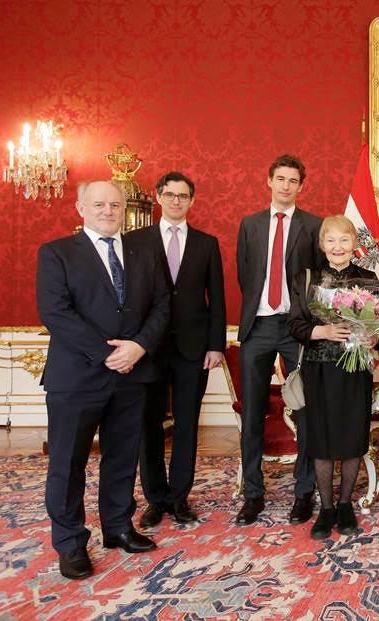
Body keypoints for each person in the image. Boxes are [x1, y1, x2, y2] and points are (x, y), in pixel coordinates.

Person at [36, 180, 170, 579]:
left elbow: (163, 304)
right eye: (99, 204)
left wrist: (139, 347)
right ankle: (71, 542)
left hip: (132, 374)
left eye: (115, 205)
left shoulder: (144, 252)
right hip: (77, 377)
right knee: (67, 462)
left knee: (123, 455)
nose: (108, 211)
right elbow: (55, 313)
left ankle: (117, 526)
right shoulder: (57, 253)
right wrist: (110, 354)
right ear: (80, 207)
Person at [126, 172, 226, 528]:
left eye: (183, 196)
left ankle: (179, 497)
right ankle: (155, 498)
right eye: (169, 195)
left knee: (187, 425)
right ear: (158, 197)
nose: (176, 201)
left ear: (192, 201)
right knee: (148, 424)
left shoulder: (206, 243)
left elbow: (217, 299)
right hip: (147, 349)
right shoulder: (134, 241)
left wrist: (216, 345)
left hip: (192, 349)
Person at [235, 155, 323, 526]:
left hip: (295, 328)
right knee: (253, 413)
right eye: (280, 179)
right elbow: (245, 274)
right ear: (268, 181)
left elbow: (318, 281)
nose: (286, 186)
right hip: (257, 327)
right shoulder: (250, 225)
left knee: (304, 410)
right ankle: (253, 494)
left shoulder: (313, 226)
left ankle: (304, 493)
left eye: (293, 181)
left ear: (301, 186)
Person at [289, 216, 378, 539]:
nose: (338, 247)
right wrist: (323, 330)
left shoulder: (369, 279)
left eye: (344, 240)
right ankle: (326, 509)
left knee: (353, 439)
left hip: (355, 369)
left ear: (355, 244)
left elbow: (377, 324)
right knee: (322, 441)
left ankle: (345, 505)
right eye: (331, 240)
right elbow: (295, 325)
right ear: (322, 244)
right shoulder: (306, 278)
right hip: (319, 369)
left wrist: (374, 337)